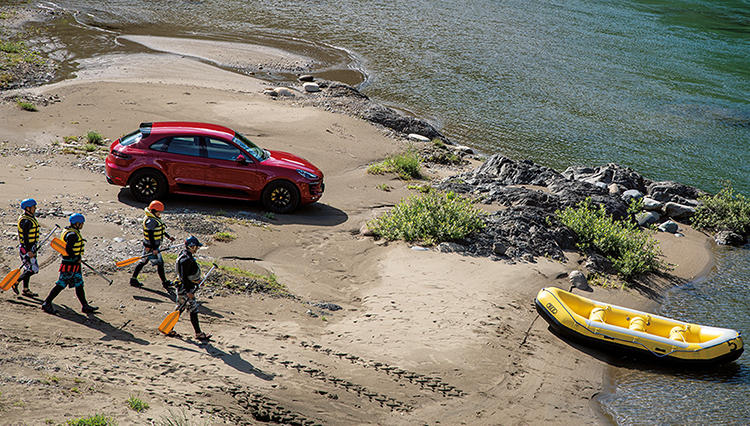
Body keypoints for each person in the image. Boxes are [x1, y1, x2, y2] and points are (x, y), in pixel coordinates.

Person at [41, 213, 98, 315]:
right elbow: (68, 249)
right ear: (76, 224)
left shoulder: (69, 231)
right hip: (69, 265)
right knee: (61, 284)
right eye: (81, 223)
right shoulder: (72, 235)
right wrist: (76, 258)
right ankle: (47, 303)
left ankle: (85, 306)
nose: (82, 225)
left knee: (79, 284)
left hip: (74, 265)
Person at [130, 200, 175, 293]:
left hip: (151, 246)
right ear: (154, 211)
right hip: (150, 247)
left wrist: (168, 237)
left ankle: (133, 279)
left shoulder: (154, 218)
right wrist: (154, 249)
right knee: (159, 264)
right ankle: (165, 282)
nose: (160, 213)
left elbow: (160, 229)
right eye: (159, 211)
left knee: (143, 262)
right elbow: (150, 235)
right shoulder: (151, 221)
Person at [173, 236, 211, 341]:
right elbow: (184, 277)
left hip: (184, 287)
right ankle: (198, 333)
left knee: (180, 308)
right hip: (185, 289)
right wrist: (188, 291)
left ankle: (170, 328)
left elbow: (188, 274)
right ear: (191, 246)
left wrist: (197, 281)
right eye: (196, 247)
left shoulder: (184, 255)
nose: (197, 249)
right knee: (193, 309)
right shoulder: (186, 259)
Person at [14, 198, 40, 297]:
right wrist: (29, 251)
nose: (35, 209)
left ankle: (25, 289)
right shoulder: (25, 221)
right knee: (33, 269)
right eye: (33, 207)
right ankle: (16, 282)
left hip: (30, 247)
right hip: (26, 248)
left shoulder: (28, 217)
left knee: (27, 268)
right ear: (28, 208)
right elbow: (25, 237)